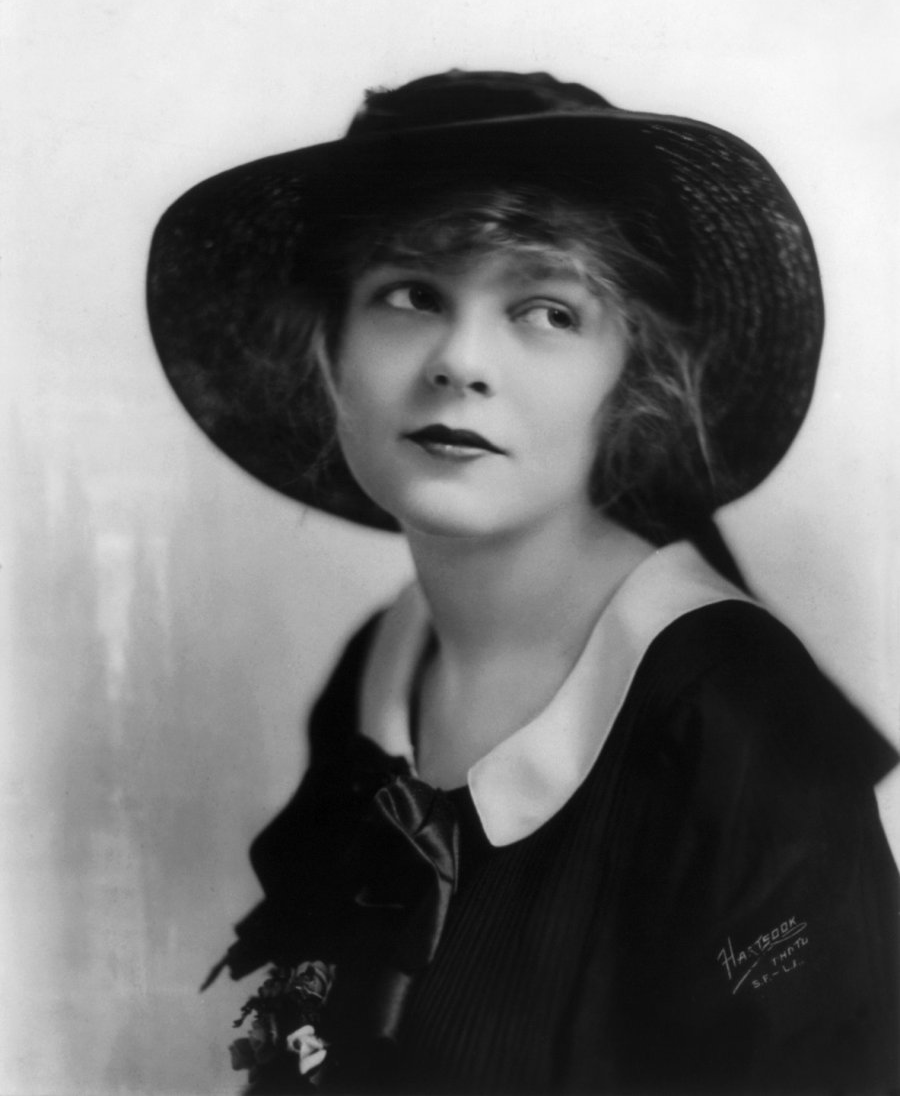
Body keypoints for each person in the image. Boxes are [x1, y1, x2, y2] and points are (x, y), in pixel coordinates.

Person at [147, 70, 899, 1094]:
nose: (460, 361)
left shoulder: (736, 726)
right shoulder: (382, 667)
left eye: (546, 310)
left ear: (632, 375)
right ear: (328, 348)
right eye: (411, 295)